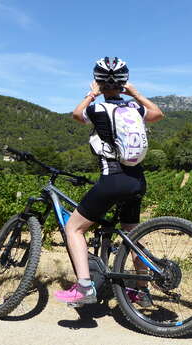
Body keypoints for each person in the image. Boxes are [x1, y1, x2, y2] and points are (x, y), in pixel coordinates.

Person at [54, 57, 164, 306]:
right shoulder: (134, 109)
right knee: (133, 234)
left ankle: (84, 287)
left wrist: (91, 94)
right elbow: (158, 114)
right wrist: (135, 94)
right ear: (124, 82)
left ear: (99, 82)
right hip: (137, 180)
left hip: (113, 179)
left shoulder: (98, 109)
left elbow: (76, 114)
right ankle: (141, 291)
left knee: (74, 228)